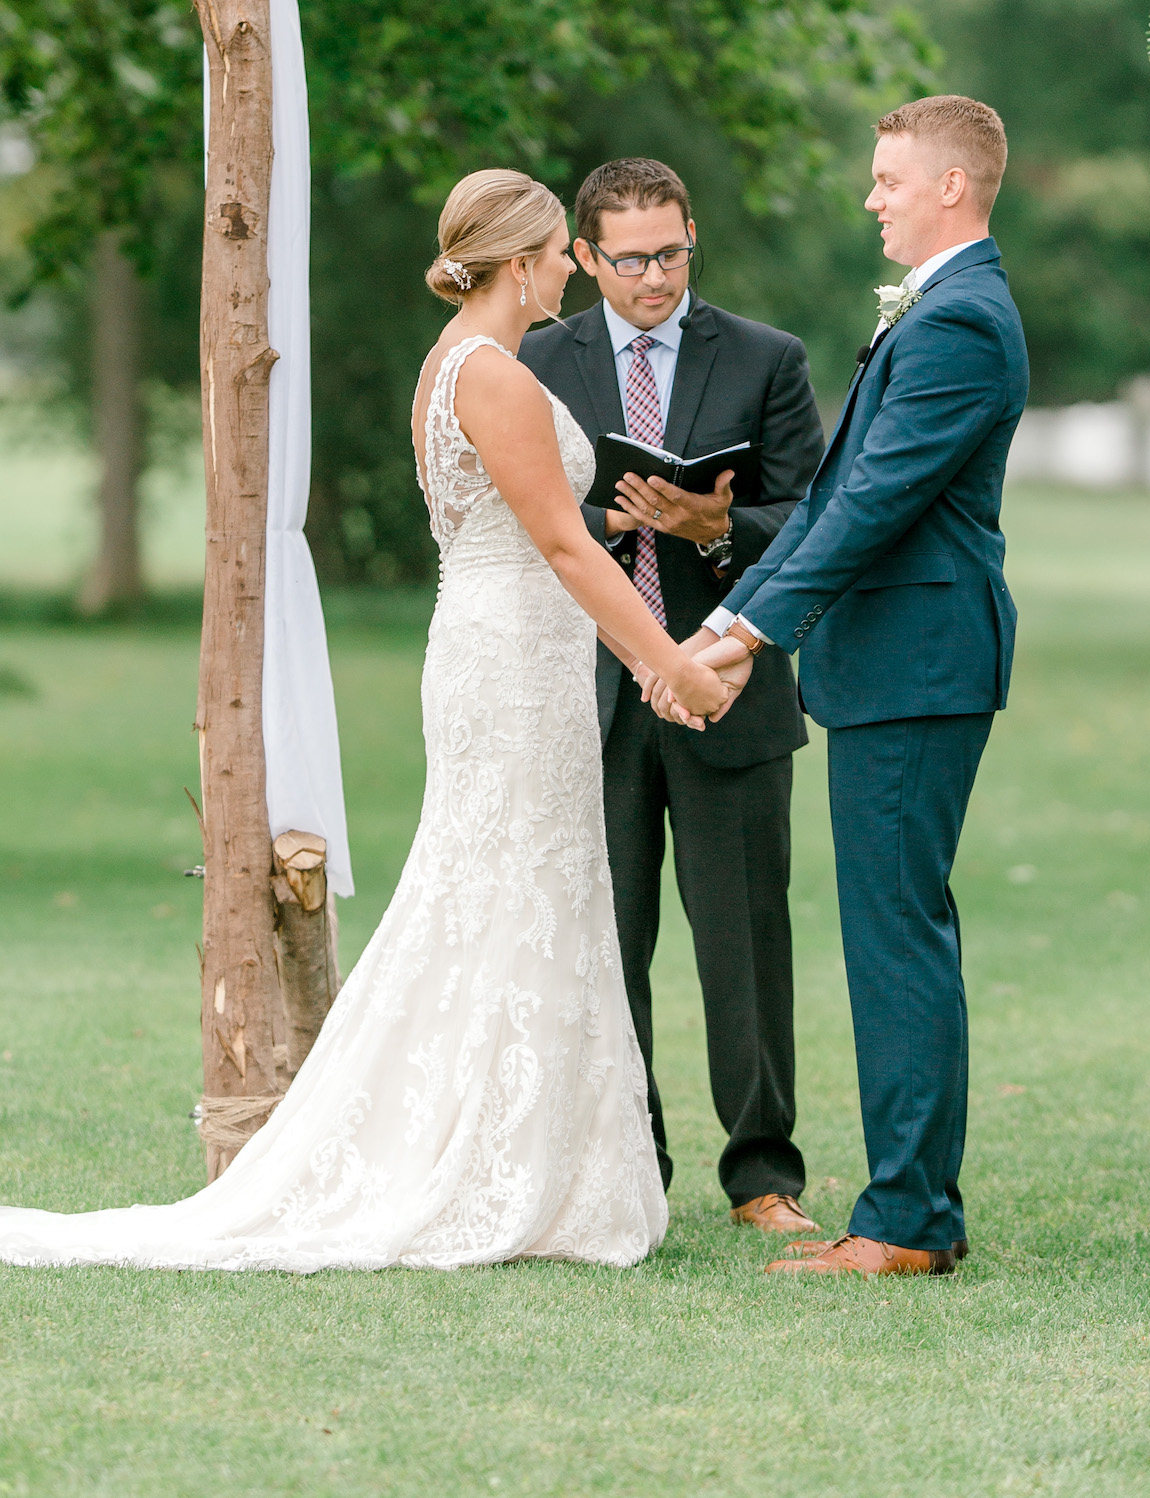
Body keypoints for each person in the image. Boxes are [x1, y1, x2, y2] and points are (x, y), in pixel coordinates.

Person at [0, 169, 736, 1273]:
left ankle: (532, 1158)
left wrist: (641, 653)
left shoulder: (459, 365)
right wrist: (668, 659)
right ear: (525, 258)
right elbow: (565, 542)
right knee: (507, 887)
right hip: (509, 662)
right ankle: (483, 1167)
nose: (568, 274)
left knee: (522, 889)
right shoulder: (487, 374)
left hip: (513, 648)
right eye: (558, 255)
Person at [663, 96, 1029, 1279]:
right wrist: (731, 619)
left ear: (952, 190)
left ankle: (909, 1223)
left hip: (917, 667)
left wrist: (750, 636)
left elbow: (877, 506)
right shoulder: (937, 313)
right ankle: (916, 1206)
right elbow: (832, 494)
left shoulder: (961, 322)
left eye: (888, 179)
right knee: (891, 934)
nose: (871, 198)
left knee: (895, 941)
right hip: (889, 666)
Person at [520, 158, 827, 1238]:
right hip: (589, 694)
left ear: (693, 233)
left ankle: (762, 1177)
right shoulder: (534, 359)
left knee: (745, 940)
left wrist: (714, 530)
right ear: (587, 256)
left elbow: (812, 518)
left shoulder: (764, 358)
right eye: (631, 258)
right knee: (609, 940)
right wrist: (609, 522)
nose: (655, 276)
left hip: (726, 687)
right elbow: (515, 517)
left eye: (672, 251)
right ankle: (628, 1161)